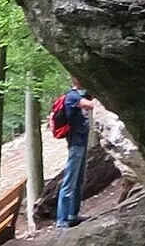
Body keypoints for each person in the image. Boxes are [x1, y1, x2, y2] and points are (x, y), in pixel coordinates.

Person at [54, 86, 93, 229]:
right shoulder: (72, 96)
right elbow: (90, 105)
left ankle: (72, 216)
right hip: (75, 143)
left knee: (79, 181)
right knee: (69, 182)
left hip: (81, 143)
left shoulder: (80, 95)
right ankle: (61, 221)